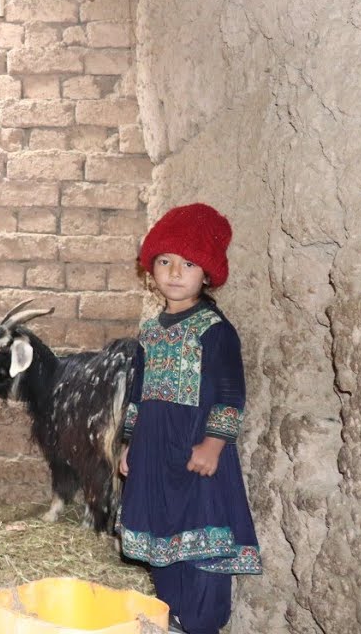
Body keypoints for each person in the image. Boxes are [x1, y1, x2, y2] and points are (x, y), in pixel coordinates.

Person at [117, 203, 262, 634]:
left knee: (202, 545)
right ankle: (172, 620)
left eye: (188, 262)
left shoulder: (214, 329)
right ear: (151, 269)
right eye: (165, 261)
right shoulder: (149, 331)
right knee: (163, 541)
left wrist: (214, 444)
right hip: (154, 453)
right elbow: (137, 395)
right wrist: (128, 443)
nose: (174, 272)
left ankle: (201, 624)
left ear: (208, 274)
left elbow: (232, 393)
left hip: (196, 453)